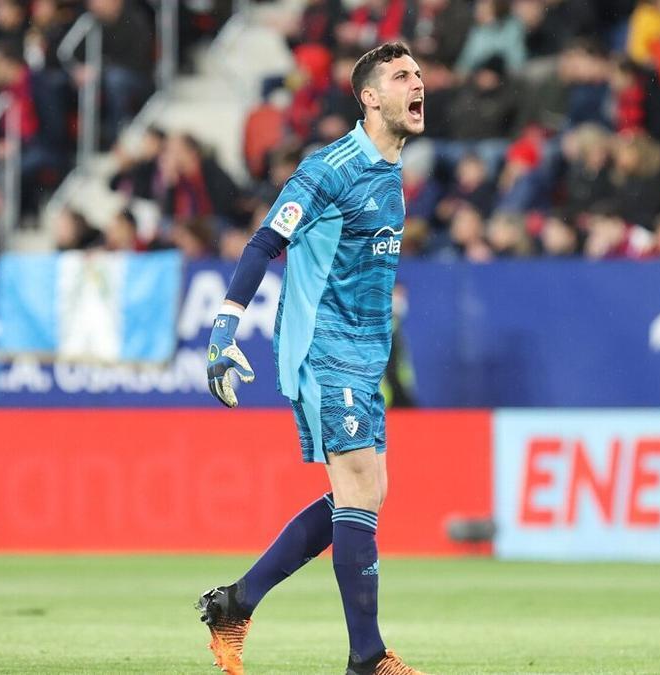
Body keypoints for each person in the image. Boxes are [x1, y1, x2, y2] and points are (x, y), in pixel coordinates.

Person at [196, 42, 427, 675]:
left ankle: (236, 603)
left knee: (366, 493)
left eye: (419, 75)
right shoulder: (331, 168)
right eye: (402, 76)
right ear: (370, 96)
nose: (418, 85)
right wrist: (224, 331)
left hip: (363, 356)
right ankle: (367, 659)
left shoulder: (390, 173)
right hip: (322, 350)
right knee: (357, 490)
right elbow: (264, 241)